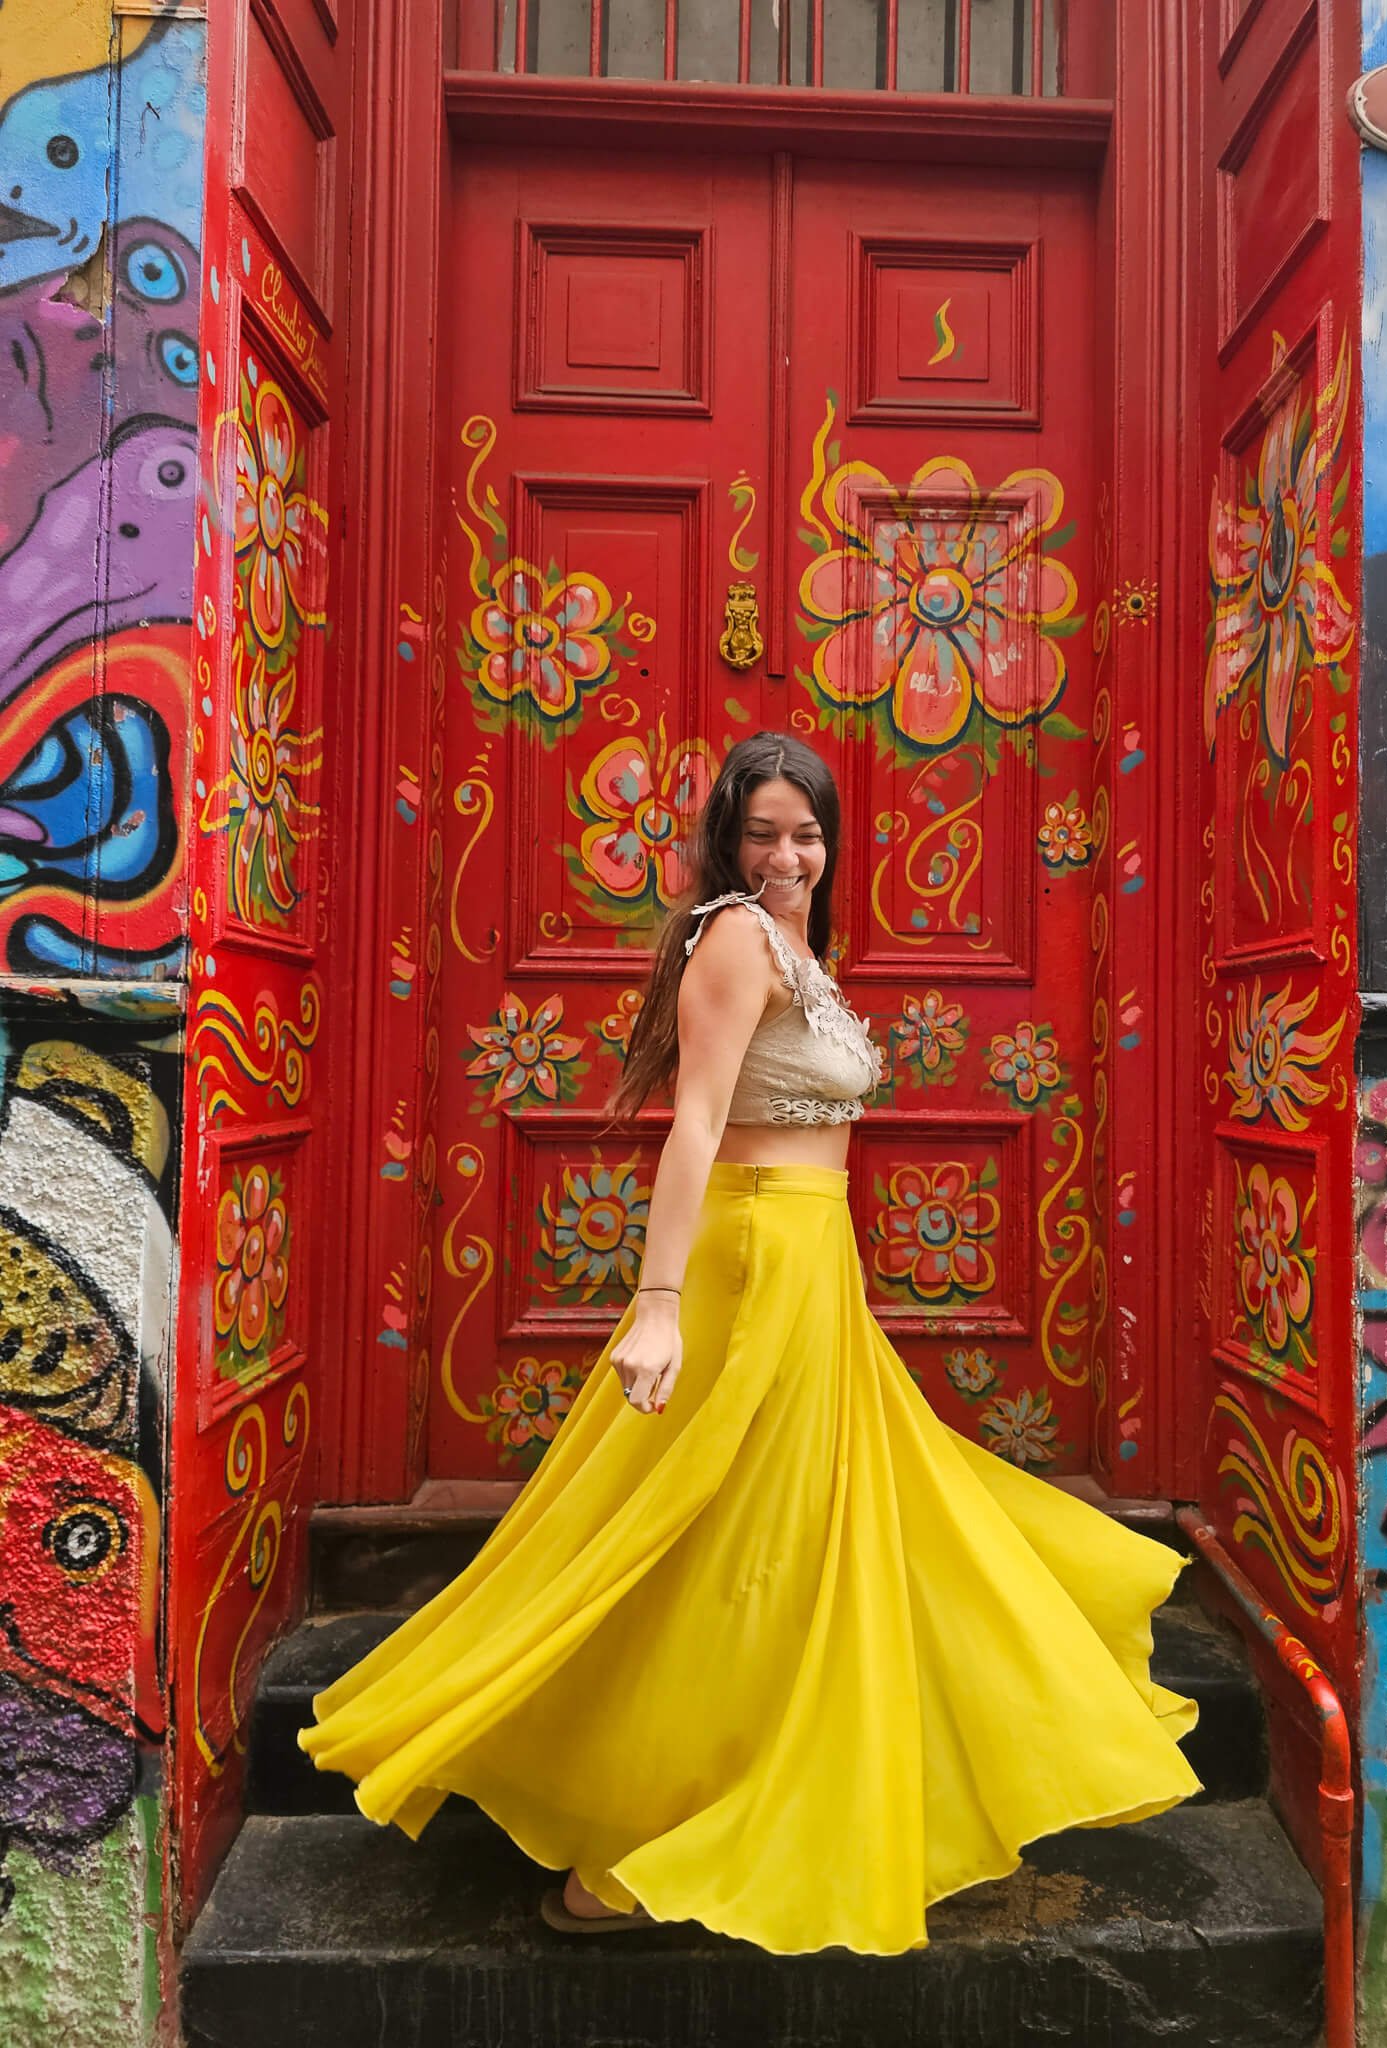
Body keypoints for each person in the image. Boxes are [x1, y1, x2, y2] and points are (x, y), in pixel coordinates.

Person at [298, 729, 1200, 1955]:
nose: (788, 852)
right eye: (765, 830)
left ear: (832, 839)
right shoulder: (731, 937)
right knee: (730, 1536)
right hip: (750, 1257)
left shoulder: (795, 946)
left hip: (811, 1260)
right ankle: (640, 1827)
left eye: (807, 830)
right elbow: (697, 1124)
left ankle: (778, 1776)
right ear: (728, 840)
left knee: (816, 1532)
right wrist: (659, 1300)